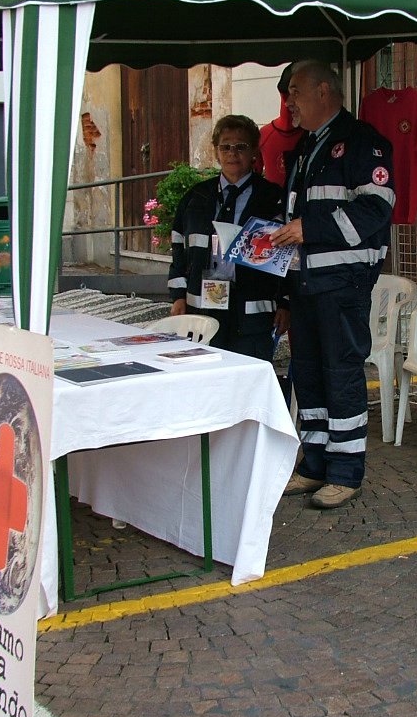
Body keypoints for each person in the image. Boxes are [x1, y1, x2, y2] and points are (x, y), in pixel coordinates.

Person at [270, 60, 394, 510]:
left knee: (341, 375)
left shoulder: (363, 143)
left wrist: (311, 227)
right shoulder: (306, 147)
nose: (290, 101)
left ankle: (345, 472)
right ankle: (314, 464)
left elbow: (376, 210)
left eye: (296, 91)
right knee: (308, 373)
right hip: (304, 283)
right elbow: (294, 221)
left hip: (342, 283)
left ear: (324, 91)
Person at [168, 114, 288, 360]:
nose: (233, 153)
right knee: (205, 380)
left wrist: (286, 303)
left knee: (247, 382)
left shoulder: (273, 198)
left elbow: (288, 256)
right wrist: (178, 296)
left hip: (252, 314)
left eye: (241, 146)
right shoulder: (195, 197)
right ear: (216, 151)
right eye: (226, 146)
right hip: (201, 310)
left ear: (254, 151)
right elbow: (178, 246)